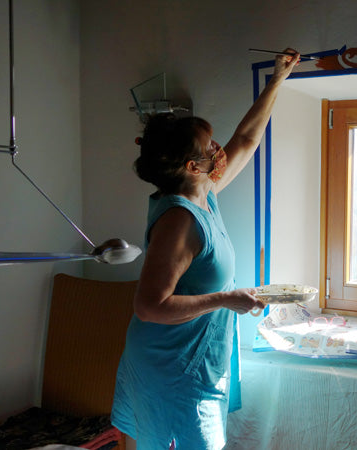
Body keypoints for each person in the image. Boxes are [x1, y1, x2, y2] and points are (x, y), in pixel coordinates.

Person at [111, 49, 301, 449]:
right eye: (209, 146)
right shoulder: (179, 221)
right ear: (191, 166)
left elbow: (246, 140)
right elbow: (149, 306)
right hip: (170, 367)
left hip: (192, 360)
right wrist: (224, 299)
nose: (219, 149)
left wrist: (276, 81)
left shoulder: (204, 192)